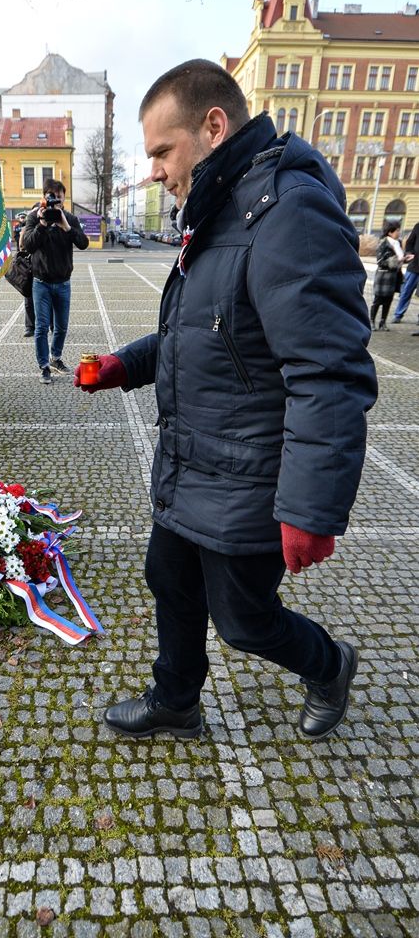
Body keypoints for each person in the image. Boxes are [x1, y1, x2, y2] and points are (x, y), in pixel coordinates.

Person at [76, 59, 377, 742]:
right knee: (167, 577)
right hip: (193, 460)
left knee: (244, 621)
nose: (153, 169)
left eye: (161, 150)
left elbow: (327, 371)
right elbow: (204, 332)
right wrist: (127, 364)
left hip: (250, 475)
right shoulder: (220, 206)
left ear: (213, 127)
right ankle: (175, 701)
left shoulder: (286, 211)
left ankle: (330, 664)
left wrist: (310, 507)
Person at [22, 178, 88, 384]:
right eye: (51, 196)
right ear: (44, 197)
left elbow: (83, 243)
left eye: (58, 197)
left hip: (63, 282)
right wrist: (42, 223)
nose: (55, 201)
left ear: (64, 198)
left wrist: (66, 226)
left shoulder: (70, 219)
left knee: (61, 327)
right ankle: (44, 366)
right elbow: (27, 246)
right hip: (41, 282)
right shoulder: (34, 217)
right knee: (41, 327)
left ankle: (55, 358)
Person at [370, 222, 403, 331]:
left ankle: (383, 322)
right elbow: (380, 261)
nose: (399, 232)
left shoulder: (398, 242)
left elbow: (399, 257)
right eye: (397, 230)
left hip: (394, 276)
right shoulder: (383, 243)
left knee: (388, 300)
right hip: (383, 275)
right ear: (390, 232)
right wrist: (396, 261)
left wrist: (404, 258)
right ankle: (371, 321)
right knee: (378, 300)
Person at [392, 221, 419, 325]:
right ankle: (398, 315)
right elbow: (409, 243)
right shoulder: (418, 226)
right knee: (405, 292)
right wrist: (410, 253)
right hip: (414, 267)